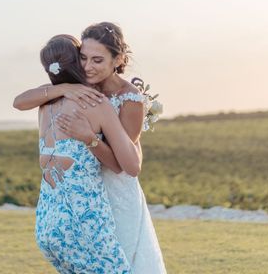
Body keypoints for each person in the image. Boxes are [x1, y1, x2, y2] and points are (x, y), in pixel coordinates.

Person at [14, 23, 166, 273]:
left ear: (117, 59)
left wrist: (89, 138)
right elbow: (20, 101)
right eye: (83, 58)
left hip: (115, 187)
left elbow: (126, 164)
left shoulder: (129, 98)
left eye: (97, 60)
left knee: (124, 258)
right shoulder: (80, 89)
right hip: (83, 187)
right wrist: (63, 88)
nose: (87, 67)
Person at [31, 34, 140, 273]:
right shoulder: (96, 103)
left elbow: (18, 101)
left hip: (47, 224)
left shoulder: (44, 102)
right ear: (76, 62)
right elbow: (130, 166)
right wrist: (90, 138)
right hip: (83, 222)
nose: (88, 66)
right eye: (83, 58)